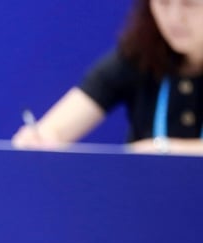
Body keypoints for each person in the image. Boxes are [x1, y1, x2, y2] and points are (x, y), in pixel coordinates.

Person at [12, 0, 203, 155]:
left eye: (190, 4)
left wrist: (163, 149)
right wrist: (38, 140)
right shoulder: (138, 57)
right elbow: (54, 130)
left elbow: (156, 150)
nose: (175, 18)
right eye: (163, 3)